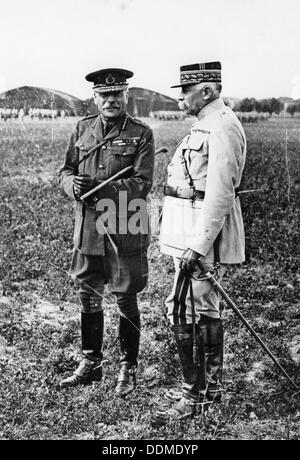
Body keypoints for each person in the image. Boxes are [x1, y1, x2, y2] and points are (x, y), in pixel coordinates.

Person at [157, 62, 246, 421]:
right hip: (187, 231)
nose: (180, 97)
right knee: (198, 308)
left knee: (186, 308)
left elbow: (220, 194)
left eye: (185, 90)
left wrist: (198, 245)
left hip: (199, 237)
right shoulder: (206, 124)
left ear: (207, 92)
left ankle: (195, 397)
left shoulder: (222, 126)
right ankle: (206, 393)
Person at [58, 68, 155, 396]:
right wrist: (72, 184)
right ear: (95, 97)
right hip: (89, 227)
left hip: (125, 222)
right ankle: (91, 362)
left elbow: (142, 185)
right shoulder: (83, 128)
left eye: (117, 94)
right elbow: (65, 170)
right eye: (104, 95)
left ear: (126, 96)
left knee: (125, 297)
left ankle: (128, 368)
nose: (111, 100)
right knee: (88, 294)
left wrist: (99, 188)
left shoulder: (142, 133)